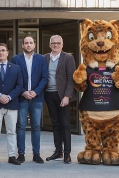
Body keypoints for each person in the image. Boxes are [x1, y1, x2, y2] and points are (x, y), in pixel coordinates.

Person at [12, 36, 48, 164]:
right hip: (22, 97)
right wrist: (23, 92)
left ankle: (36, 154)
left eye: (30, 43)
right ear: (22, 45)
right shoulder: (15, 59)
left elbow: (44, 78)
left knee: (36, 126)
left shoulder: (41, 59)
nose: (28, 45)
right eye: (26, 43)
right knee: (21, 126)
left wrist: (35, 92)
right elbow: (14, 78)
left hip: (36, 98)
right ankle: (21, 154)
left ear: (34, 45)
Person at [44, 35, 77, 164]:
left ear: (62, 45)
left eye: (58, 43)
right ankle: (58, 151)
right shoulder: (45, 58)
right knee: (55, 124)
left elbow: (71, 78)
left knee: (65, 124)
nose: (55, 45)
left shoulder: (68, 58)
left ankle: (67, 153)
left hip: (63, 96)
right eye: (53, 43)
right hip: (49, 94)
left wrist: (67, 96)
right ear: (49, 45)